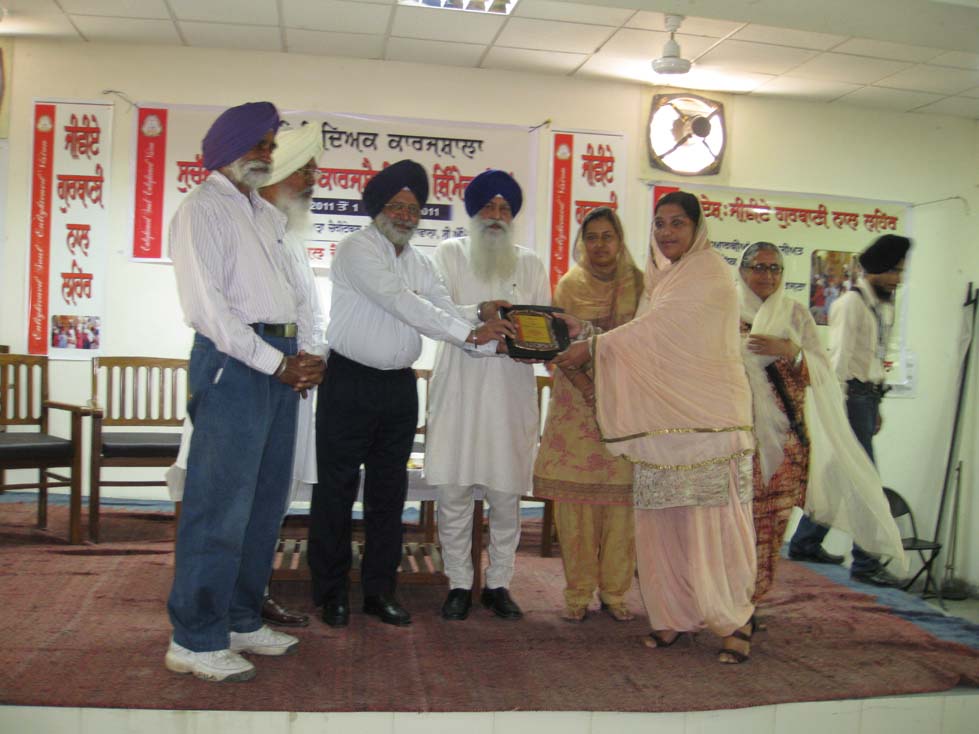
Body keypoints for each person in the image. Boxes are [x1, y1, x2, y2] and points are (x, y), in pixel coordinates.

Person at [309, 159, 515, 629]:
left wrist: (481, 318)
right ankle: (331, 592)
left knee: (389, 494)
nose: (405, 215)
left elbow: (441, 308)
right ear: (377, 208)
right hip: (348, 383)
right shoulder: (356, 249)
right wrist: (471, 334)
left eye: (413, 208)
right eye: (396, 206)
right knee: (336, 491)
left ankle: (379, 591)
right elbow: (403, 304)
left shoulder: (419, 262)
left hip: (399, 388)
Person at [554, 191, 757, 664]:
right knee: (662, 523)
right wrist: (589, 334)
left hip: (708, 423)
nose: (666, 233)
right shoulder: (663, 279)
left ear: (697, 228)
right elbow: (646, 341)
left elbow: (655, 332)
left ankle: (734, 621)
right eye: (660, 224)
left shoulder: (708, 273)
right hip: (662, 424)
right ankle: (673, 616)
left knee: (711, 527)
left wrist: (593, 345)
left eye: (677, 223)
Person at [165, 102, 325, 683]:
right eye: (257, 144)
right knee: (219, 506)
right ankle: (194, 638)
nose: (266, 154)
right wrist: (276, 363)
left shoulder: (263, 213)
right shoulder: (201, 209)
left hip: (279, 361)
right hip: (234, 364)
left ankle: (238, 618)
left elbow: (296, 294)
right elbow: (209, 310)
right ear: (226, 147)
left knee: (262, 504)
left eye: (270, 145)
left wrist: (307, 355)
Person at [738, 242, 906, 605]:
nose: (767, 275)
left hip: (786, 439)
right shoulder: (724, 314)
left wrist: (790, 352)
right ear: (742, 271)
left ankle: (753, 600)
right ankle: (729, 598)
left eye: (775, 268)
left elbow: (820, 372)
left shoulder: (795, 315)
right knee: (734, 526)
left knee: (772, 523)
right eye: (758, 267)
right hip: (736, 440)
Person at [425, 170, 550, 622]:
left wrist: (521, 341)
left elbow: (544, 328)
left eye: (505, 209)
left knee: (505, 493)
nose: (496, 216)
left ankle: (499, 583)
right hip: (459, 389)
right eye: (488, 207)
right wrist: (478, 319)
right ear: (473, 212)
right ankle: (459, 583)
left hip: (509, 393)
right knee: (454, 492)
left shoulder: (530, 264)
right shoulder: (448, 254)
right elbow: (434, 313)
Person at [533, 207, 643, 622]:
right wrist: (588, 388)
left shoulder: (641, 285)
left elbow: (648, 342)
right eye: (592, 237)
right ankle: (577, 594)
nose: (599, 245)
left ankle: (615, 593)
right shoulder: (570, 285)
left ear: (620, 240)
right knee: (575, 506)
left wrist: (609, 390)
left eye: (607, 236)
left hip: (627, 405)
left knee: (622, 507)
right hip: (576, 406)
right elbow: (556, 345)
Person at [788, 234, 912, 587]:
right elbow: (839, 360)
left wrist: (877, 406)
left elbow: (873, 359)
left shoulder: (882, 306)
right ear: (876, 270)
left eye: (901, 271)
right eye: (894, 271)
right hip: (850, 399)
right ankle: (866, 562)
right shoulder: (850, 304)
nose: (898, 279)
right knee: (865, 480)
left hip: (867, 399)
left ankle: (805, 543)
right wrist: (835, 411)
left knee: (836, 475)